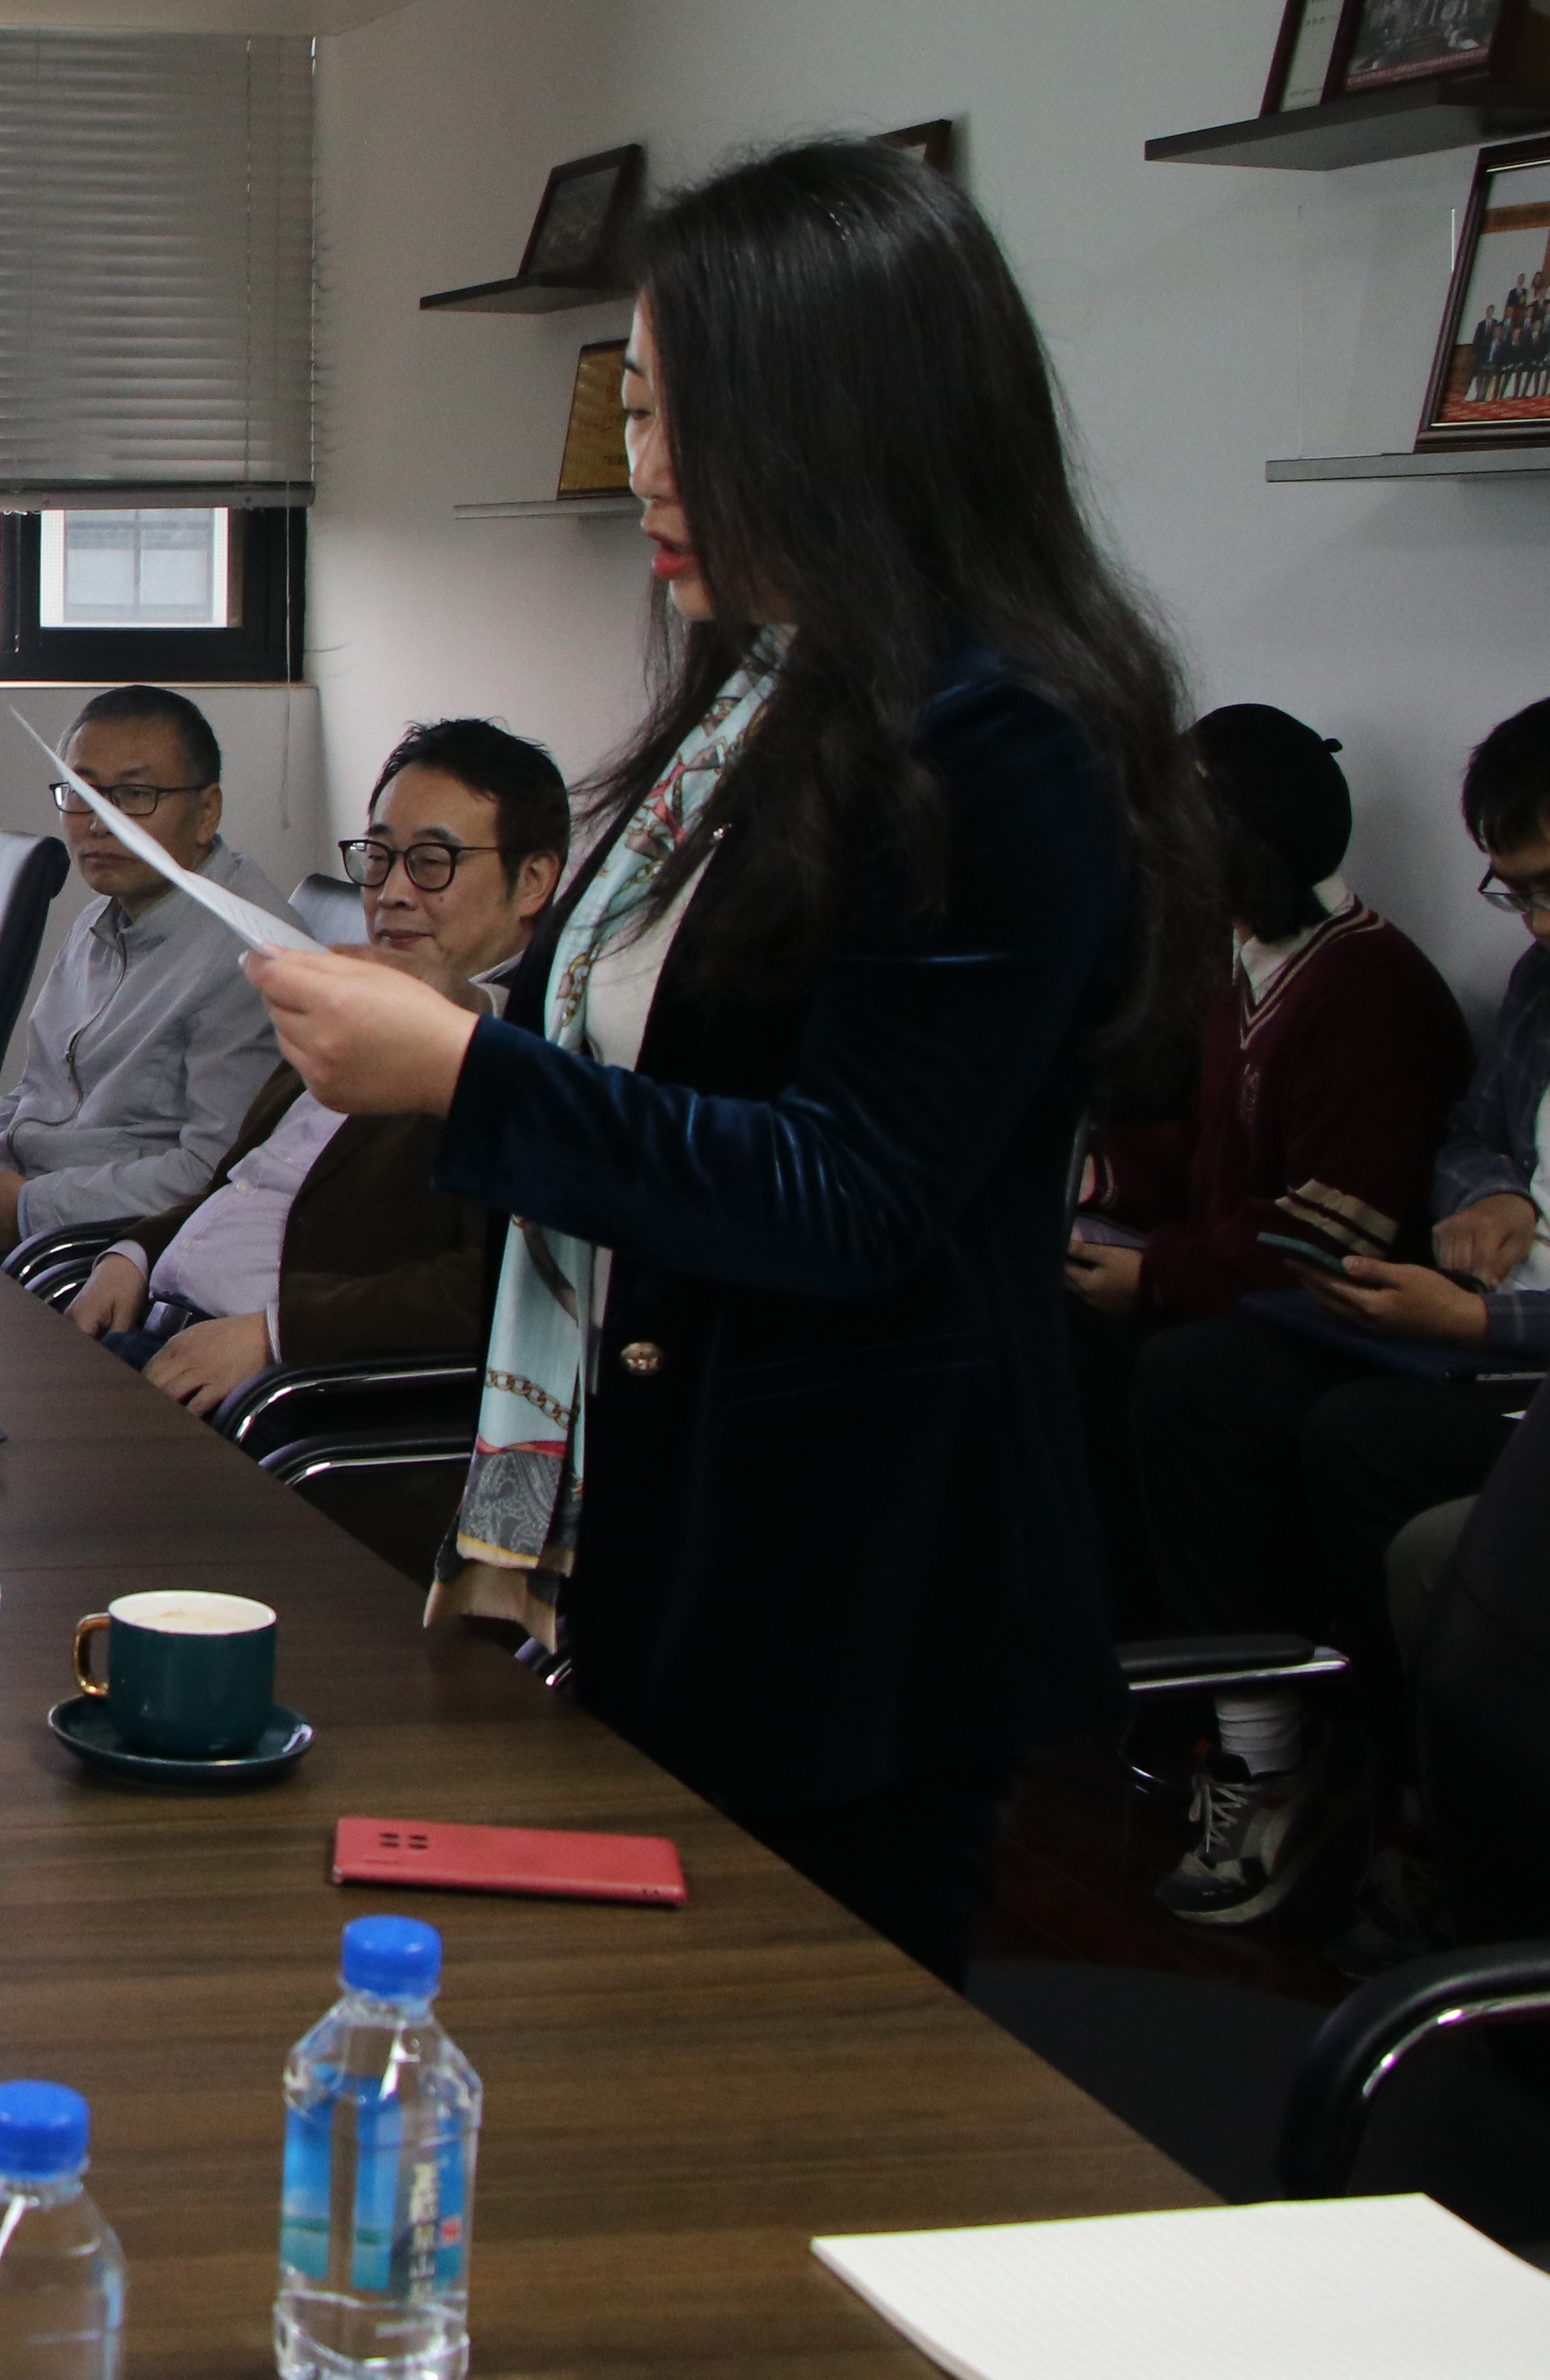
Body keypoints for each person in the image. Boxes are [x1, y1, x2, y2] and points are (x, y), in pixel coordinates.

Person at [247, 140, 1211, 1982]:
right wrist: (463, 1036)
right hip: (668, 1517)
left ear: (848, 420)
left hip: (849, 1568)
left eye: (689, 415)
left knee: (791, 2063)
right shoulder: (755, 698)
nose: (645, 467)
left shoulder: (1001, 741)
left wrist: (463, 1076)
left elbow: (847, 1190)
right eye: (632, 408)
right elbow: (660, 1057)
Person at [1122, 695, 1550, 1926]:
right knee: (1196, 1386)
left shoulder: (1365, 990)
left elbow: (1330, 1209)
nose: (1533, 923)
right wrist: (1496, 1193)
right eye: (1515, 892)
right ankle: (1259, 1750)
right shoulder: (1539, 986)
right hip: (1468, 1311)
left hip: (1509, 1352)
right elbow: (1470, 1137)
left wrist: (1479, 1326)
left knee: (1357, 1439)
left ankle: (1424, 1805)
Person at [65, 719, 566, 1414]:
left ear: (533, 880)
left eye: (432, 862)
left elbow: (496, 1287)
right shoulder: (356, 1000)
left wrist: (276, 1336)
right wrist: (135, 1254)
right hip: (154, 1324)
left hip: (280, 1403)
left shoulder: (533, 1054)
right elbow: (243, 1183)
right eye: (379, 858)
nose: (392, 892)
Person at [1071, 704, 1465, 1332]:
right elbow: (1213, 1147)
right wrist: (1096, 1176)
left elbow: (1326, 1237)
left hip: (1326, 1319)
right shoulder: (1251, 959)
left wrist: (1155, 1277)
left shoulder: (1370, 992)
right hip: (1225, 1281)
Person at [0, 683, 289, 1260]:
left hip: (93, 1256)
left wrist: (27, 1208)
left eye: (135, 795)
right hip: (22, 1221)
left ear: (206, 811)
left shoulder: (251, 959)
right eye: (81, 793)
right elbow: (37, 1092)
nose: (97, 824)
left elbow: (215, 1174)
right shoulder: (102, 917)